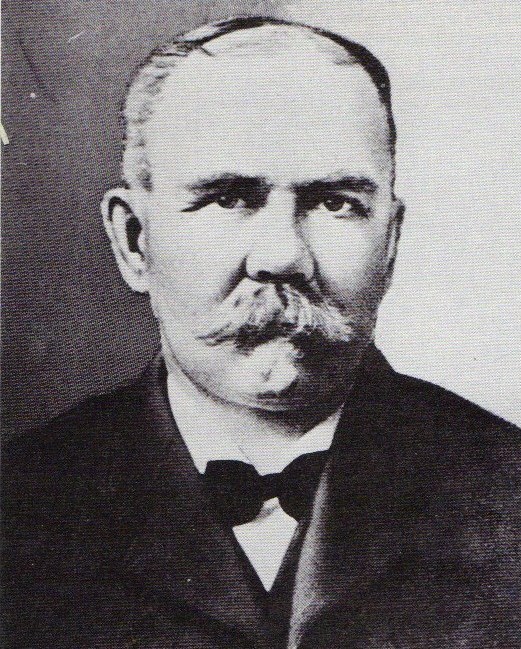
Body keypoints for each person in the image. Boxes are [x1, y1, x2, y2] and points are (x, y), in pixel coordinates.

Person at [2, 16, 520, 649]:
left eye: (335, 202)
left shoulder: (506, 490)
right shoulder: (22, 503)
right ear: (135, 241)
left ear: (389, 243)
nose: (282, 256)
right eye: (228, 198)